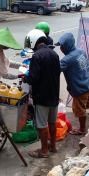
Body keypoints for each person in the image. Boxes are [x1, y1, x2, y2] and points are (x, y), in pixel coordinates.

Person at [24, 29, 60, 158]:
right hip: (54, 95)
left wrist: (26, 78)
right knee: (52, 122)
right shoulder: (54, 54)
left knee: (42, 125)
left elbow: (33, 78)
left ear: (34, 41)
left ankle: (44, 151)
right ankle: (53, 147)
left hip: (42, 97)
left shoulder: (37, 56)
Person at [55, 33, 89, 135]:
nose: (60, 48)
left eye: (62, 46)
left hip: (80, 89)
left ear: (67, 46)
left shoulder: (66, 60)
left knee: (80, 110)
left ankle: (82, 129)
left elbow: (55, 70)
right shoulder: (81, 51)